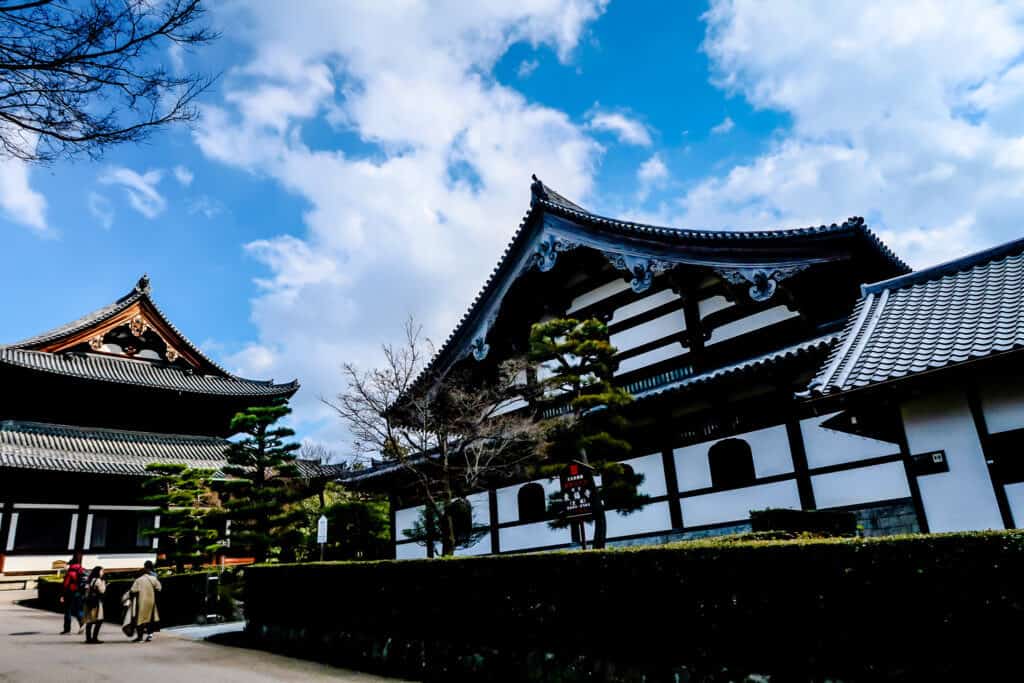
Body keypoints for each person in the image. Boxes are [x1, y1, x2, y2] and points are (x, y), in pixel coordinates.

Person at [123, 561, 161, 642]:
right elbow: (159, 588)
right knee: (150, 619)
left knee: (139, 620)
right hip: (151, 602)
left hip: (140, 603)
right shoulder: (153, 578)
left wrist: (125, 598)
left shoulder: (138, 580)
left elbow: (133, 590)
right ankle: (149, 635)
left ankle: (139, 638)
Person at [59, 552, 84, 635]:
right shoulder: (81, 570)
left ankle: (67, 629)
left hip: (70, 593)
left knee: (68, 611)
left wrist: (62, 595)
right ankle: (82, 623)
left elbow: (65, 585)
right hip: (79, 592)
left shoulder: (70, 573)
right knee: (78, 610)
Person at [82, 566, 106, 644]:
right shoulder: (98, 580)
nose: (103, 572)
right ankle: (94, 638)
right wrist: (104, 583)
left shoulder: (91, 580)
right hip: (96, 602)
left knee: (90, 620)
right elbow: (102, 591)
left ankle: (88, 638)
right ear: (98, 572)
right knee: (99, 620)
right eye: (102, 571)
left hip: (89, 602)